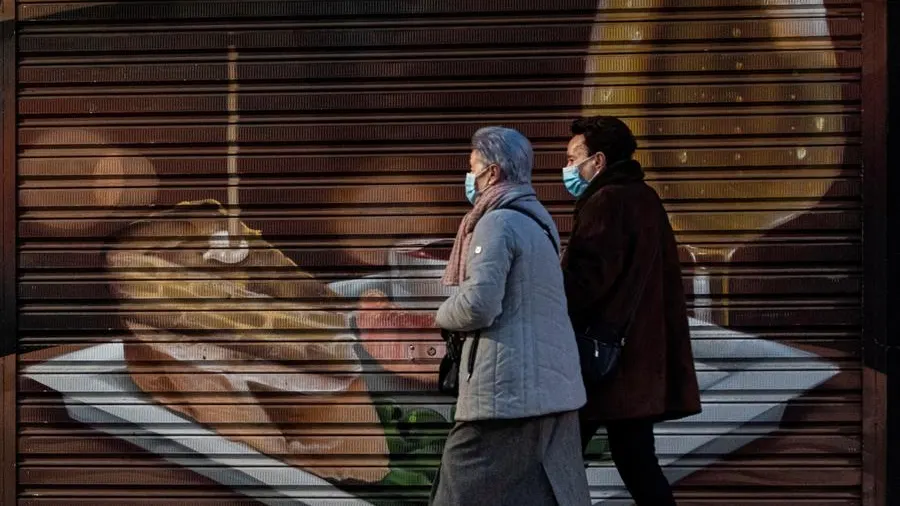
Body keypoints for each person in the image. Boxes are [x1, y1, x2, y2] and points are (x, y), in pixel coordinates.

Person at [429, 127, 591, 506]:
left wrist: (441, 314)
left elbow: (479, 304)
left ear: (494, 173)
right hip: (552, 385)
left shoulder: (496, 222)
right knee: (542, 492)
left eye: (473, 168)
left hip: (506, 392)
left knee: (459, 487)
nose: (469, 179)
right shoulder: (539, 221)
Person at [561, 116, 702, 505]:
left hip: (603, 361)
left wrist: (549, 289)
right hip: (638, 358)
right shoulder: (644, 198)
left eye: (574, 159)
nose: (568, 168)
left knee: (558, 455)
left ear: (599, 161)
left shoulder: (606, 201)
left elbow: (587, 281)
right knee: (636, 459)